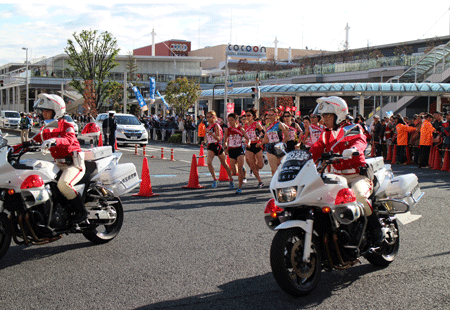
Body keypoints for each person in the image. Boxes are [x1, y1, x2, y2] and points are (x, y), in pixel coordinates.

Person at [309, 96, 383, 244]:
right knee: (316, 199)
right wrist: (304, 156)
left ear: (339, 114)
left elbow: (360, 142)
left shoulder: (354, 129)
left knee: (359, 195)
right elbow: (316, 148)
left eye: (328, 116)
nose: (324, 119)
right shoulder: (326, 133)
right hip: (335, 177)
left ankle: (376, 228)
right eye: (323, 116)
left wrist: (354, 149)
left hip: (356, 175)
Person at [29, 93, 87, 224]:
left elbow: (69, 139)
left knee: (63, 184)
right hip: (58, 163)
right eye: (42, 111)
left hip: (73, 163)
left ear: (55, 111)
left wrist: (55, 140)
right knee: (44, 182)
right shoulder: (47, 129)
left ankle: (82, 212)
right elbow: (34, 140)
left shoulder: (67, 125)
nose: (43, 114)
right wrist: (13, 147)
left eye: (46, 111)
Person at [205, 111, 234, 188]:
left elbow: (219, 138)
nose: (207, 118)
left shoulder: (216, 126)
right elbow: (206, 136)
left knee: (224, 164)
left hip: (217, 145)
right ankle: (215, 179)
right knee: (208, 163)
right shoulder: (208, 126)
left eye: (209, 117)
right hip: (210, 145)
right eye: (207, 117)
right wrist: (204, 140)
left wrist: (211, 134)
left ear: (213, 117)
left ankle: (231, 179)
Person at [257, 108, 290, 176]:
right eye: (268, 115)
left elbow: (287, 136)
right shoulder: (267, 126)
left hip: (279, 147)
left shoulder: (279, 124)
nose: (270, 116)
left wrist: (281, 143)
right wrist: (261, 143)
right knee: (273, 170)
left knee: (281, 168)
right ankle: (275, 186)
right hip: (270, 147)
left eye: (272, 114)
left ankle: (282, 184)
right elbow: (266, 138)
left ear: (276, 115)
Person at [225, 113, 250, 194]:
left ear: (236, 121)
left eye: (232, 120)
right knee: (234, 171)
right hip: (231, 150)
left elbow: (247, 138)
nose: (230, 122)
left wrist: (248, 143)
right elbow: (225, 141)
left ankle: (239, 187)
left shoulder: (241, 129)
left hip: (239, 149)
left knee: (239, 169)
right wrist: (225, 148)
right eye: (229, 121)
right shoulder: (228, 130)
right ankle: (241, 167)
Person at [244, 108, 265, 188]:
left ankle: (259, 163)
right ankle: (260, 181)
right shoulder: (244, 125)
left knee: (260, 165)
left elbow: (263, 132)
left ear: (253, 116)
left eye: (249, 115)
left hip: (257, 145)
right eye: (246, 115)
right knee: (252, 165)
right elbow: (243, 135)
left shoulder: (256, 124)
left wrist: (259, 138)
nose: (247, 117)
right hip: (249, 146)